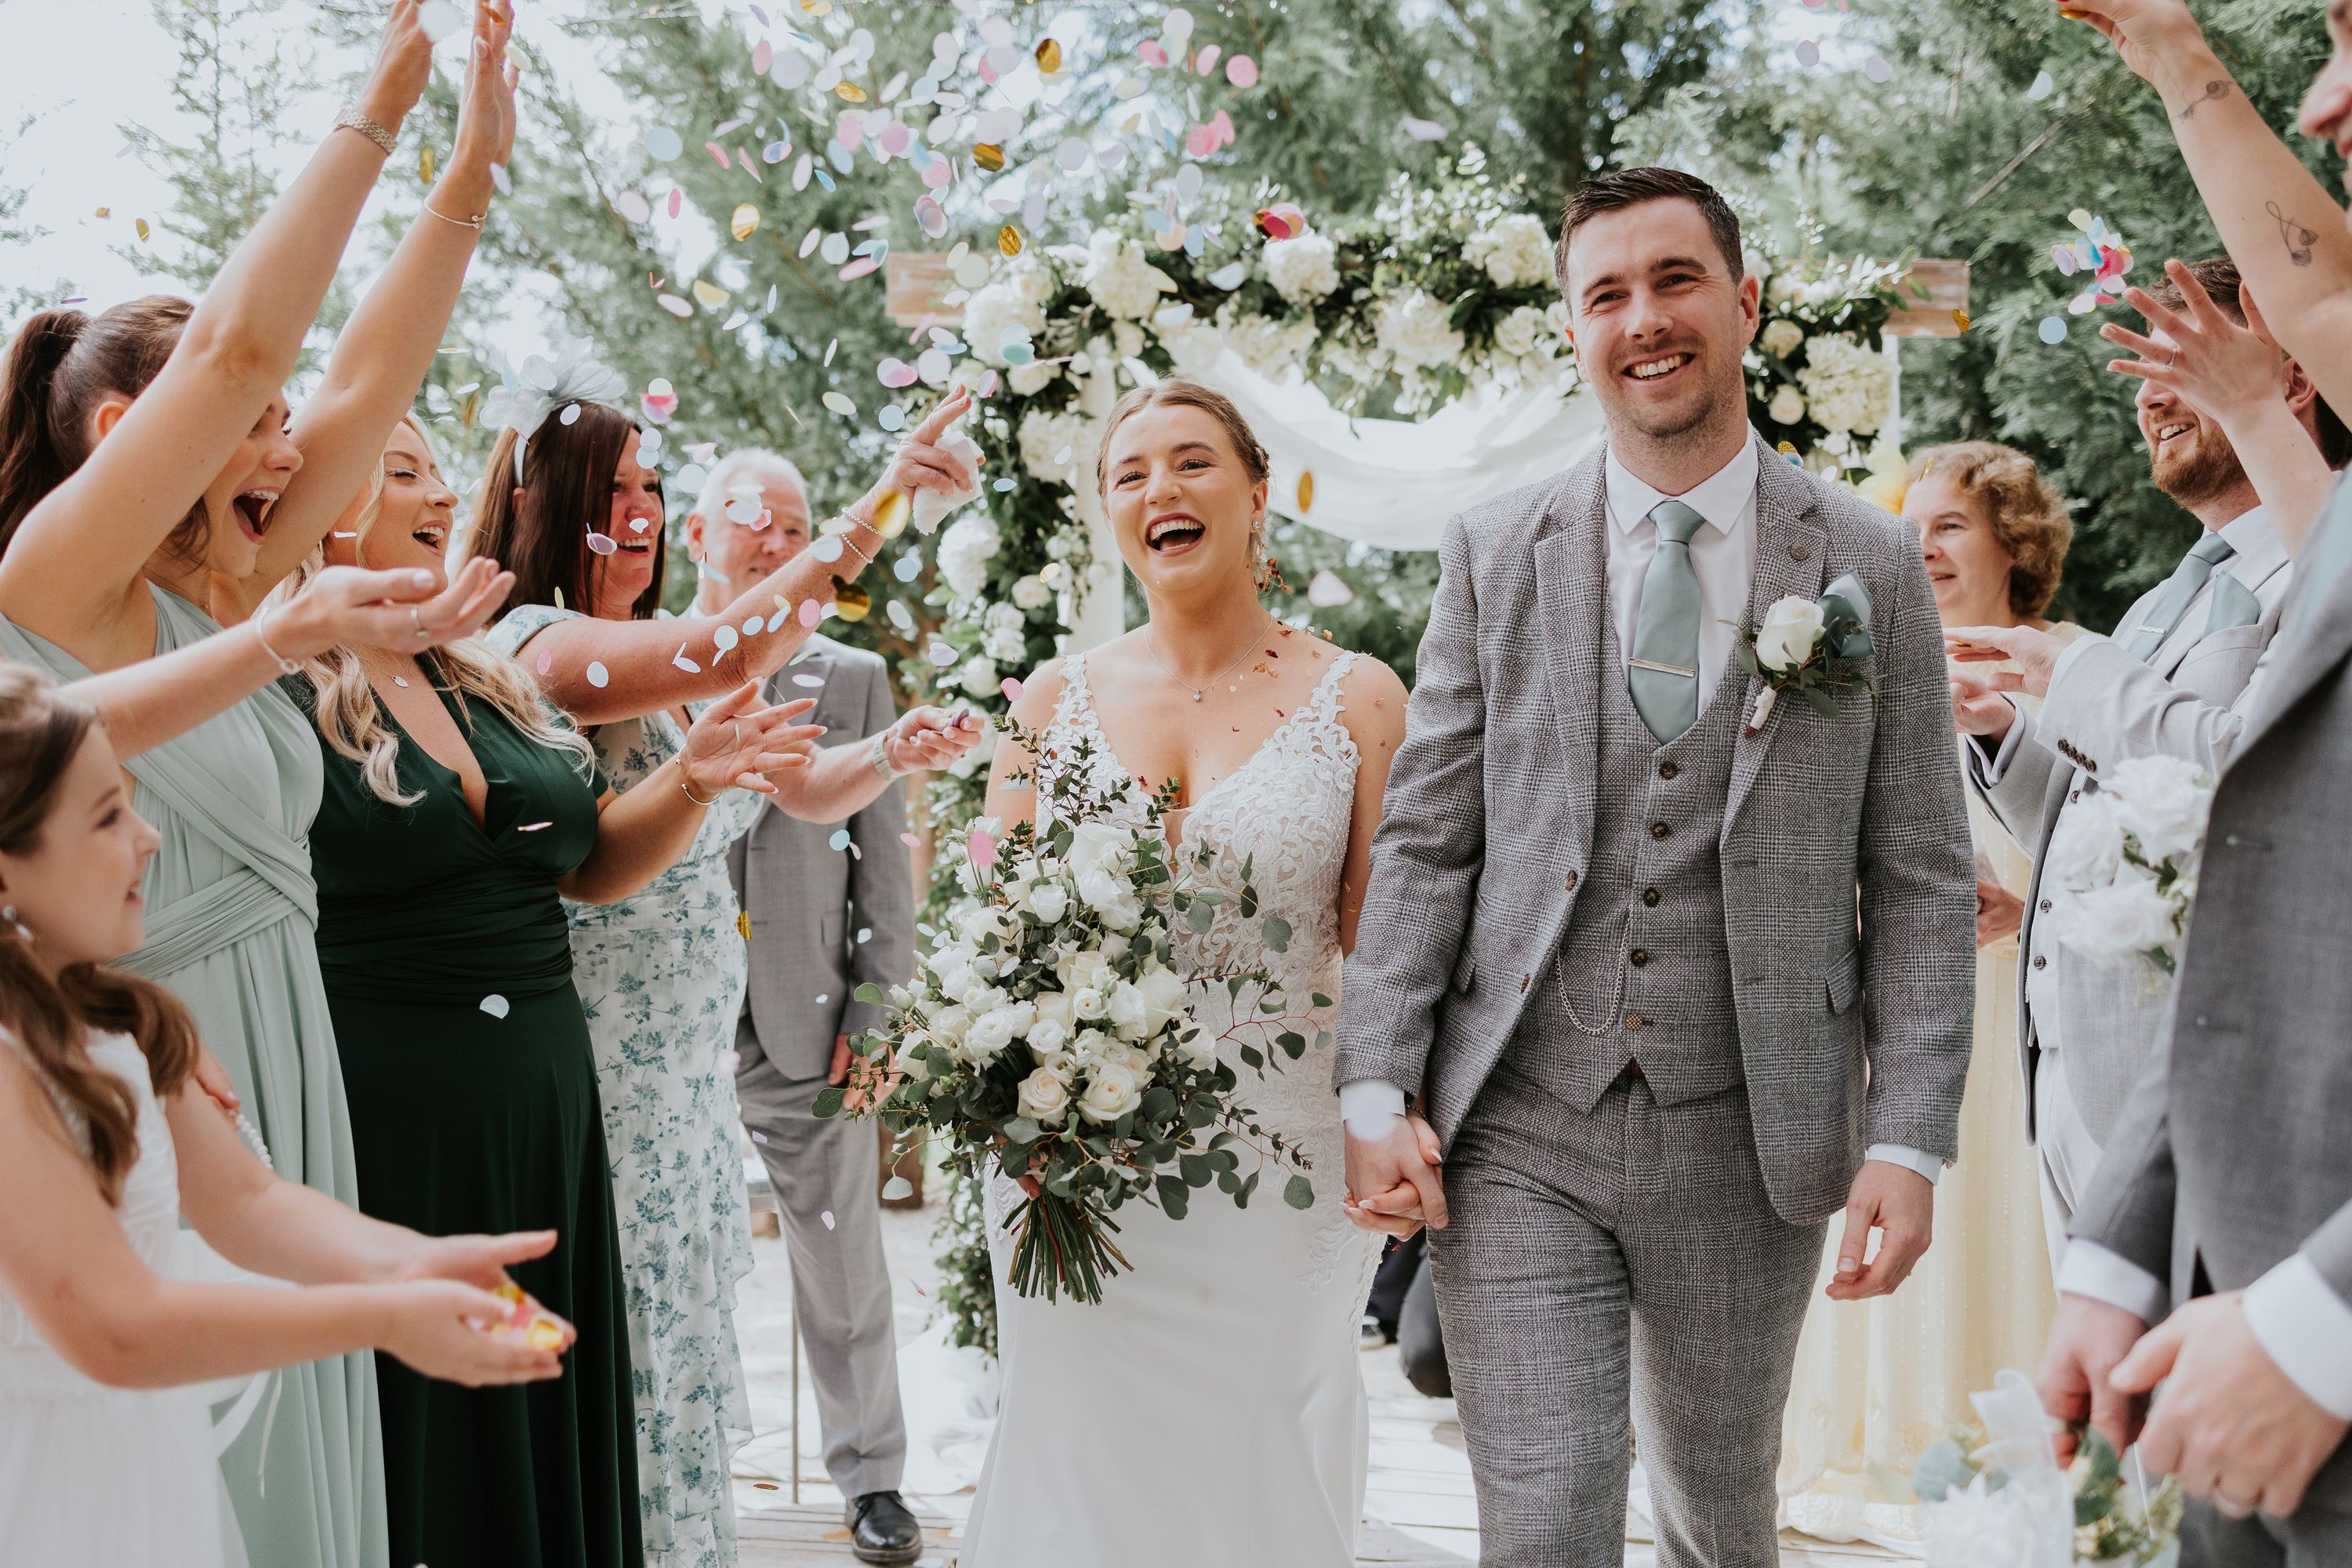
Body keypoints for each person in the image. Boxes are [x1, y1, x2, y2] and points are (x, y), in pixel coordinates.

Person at [1336, 166, 1976, 1568]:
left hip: (1752, 1135)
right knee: (1550, 1517)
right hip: (1519, 1123)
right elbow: (1431, 833)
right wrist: (1375, 1081)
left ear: (1743, 303)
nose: (1645, 318)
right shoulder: (1497, 549)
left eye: (1675, 280)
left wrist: (1910, 1138)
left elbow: (1924, 875)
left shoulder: (1868, 559)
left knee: (1716, 1519)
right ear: (1574, 331)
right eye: (1606, 294)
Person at [0, 5, 517, 1558]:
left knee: (310, 1467)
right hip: (163, 1046)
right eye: (259, 429)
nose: (298, 447)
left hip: (291, 1044)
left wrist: (474, 174)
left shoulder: (238, 588)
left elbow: (366, 369)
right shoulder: (56, 576)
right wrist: (375, 113)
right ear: (127, 432)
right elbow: (247, 345)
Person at [274, 409, 818, 1568]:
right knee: (434, 1428)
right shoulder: (279, 680)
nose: (438, 494)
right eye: (401, 471)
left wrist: (691, 774)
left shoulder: (473, 672)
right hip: (399, 1111)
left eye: (433, 469)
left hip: (552, 1099)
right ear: (320, 507)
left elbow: (585, 870)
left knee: (550, 1408)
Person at [469, 386, 978, 1566]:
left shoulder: (662, 666)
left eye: (652, 486)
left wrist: (889, 752)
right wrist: (882, 503)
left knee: (678, 1347)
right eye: (618, 490)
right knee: (619, 1349)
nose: (640, 511)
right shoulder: (536, 642)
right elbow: (734, 653)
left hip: (678, 1087)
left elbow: (794, 789)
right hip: (601, 1065)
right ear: (547, 506)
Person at [964, 378, 1410, 1567]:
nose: (1160, 488)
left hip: (1284, 1153)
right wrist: (1009, 1095)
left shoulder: (1359, 698)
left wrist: (1387, 1118)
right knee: (1076, 1445)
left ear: (1258, 494)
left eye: (1193, 463)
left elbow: (1387, 948)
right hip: (1071, 1155)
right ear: (1109, 512)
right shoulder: (1051, 703)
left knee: (1260, 1438)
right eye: (1129, 473)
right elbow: (998, 933)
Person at [0, 662, 572, 1568]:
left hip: (146, 1456)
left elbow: (249, 1203)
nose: (149, 837)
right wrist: (383, 1318)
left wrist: (408, 1259)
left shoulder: (129, 1018)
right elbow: (115, 1328)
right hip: (40, 1485)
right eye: (108, 814)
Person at [2034, 1, 2352, 1557]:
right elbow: (2266, 891)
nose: (2328, 100)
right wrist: (2126, 1243)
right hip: (2230, 1279)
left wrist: (2324, 1320)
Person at [1949, 259, 2340, 1270]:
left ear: (2286, 376)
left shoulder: (2327, 563)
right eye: (2138, 375)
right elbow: (2119, 824)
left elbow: (2260, 778)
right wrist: (2002, 731)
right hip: (2077, 1084)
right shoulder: (2159, 601)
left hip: (2215, 1094)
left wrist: (2073, 669)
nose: (2146, 396)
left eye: (2172, 361)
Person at [1778, 441, 2078, 1544]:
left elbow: (2134, 830)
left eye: (1952, 522)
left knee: (2016, 1221)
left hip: (2032, 1016)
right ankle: (1894, 1443)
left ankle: (2026, 1442)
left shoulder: (2073, 664)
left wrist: (2029, 896)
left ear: (2015, 537)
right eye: (1912, 524)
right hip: (1906, 1010)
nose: (1925, 544)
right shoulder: (1861, 669)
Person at [691, 449, 930, 1566]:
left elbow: (884, 872)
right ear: (699, 539)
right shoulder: (645, 660)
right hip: (672, 1024)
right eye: (753, 523)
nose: (775, 544)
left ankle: (873, 1480)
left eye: (796, 528)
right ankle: (675, 1473)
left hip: (810, 1015)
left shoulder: (850, 677)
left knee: (843, 1268)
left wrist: (874, 1020)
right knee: (669, 1260)